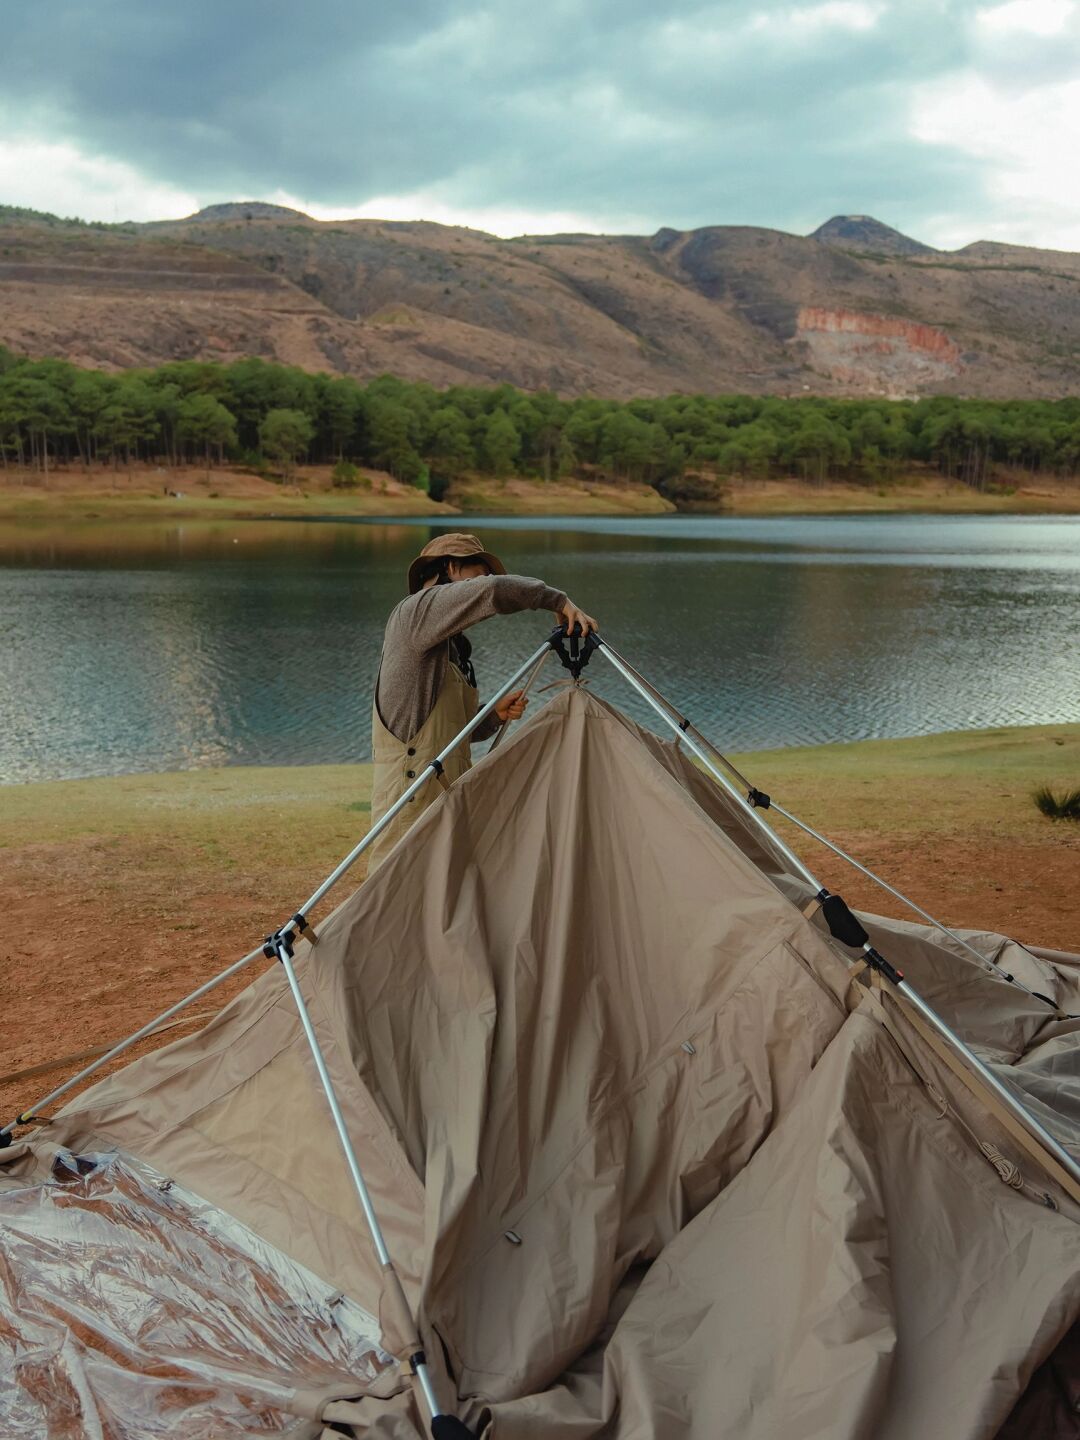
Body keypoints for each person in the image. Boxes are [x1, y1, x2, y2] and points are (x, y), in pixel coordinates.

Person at [367, 532, 597, 870]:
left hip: (446, 788)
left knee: (446, 898)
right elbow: (492, 592)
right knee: (397, 897)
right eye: (481, 570)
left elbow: (451, 732)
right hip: (412, 793)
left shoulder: (449, 647)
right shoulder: (415, 612)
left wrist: (491, 716)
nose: (487, 579)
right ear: (450, 567)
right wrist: (557, 601)